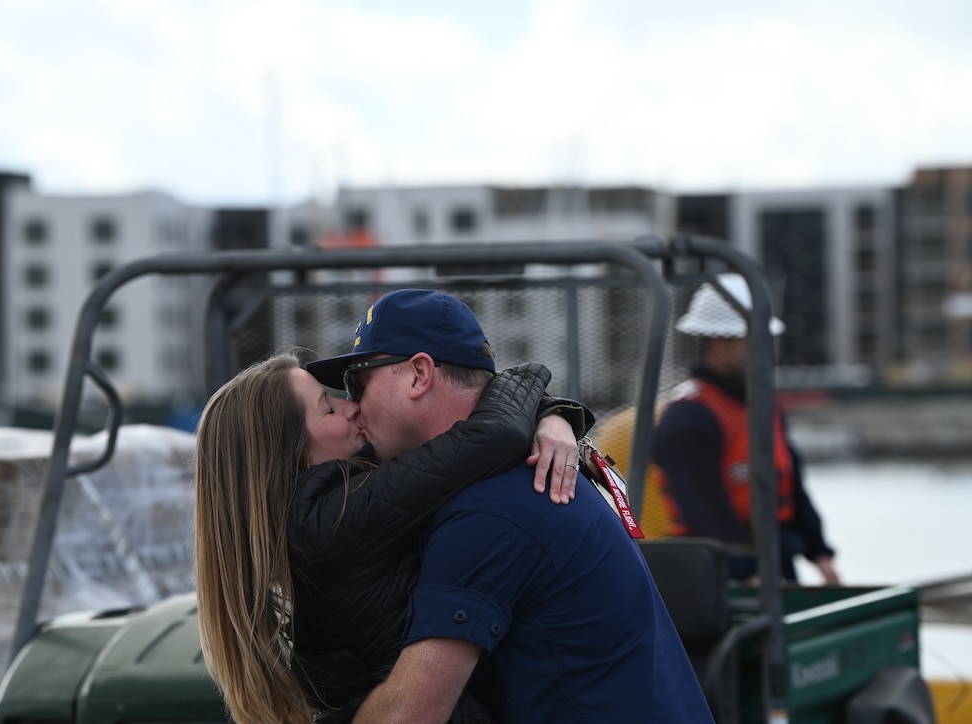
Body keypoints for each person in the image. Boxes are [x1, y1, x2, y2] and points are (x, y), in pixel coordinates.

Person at [304, 289, 713, 723]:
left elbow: (411, 715)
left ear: (419, 375)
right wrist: (551, 411)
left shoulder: (488, 508)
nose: (351, 405)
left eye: (357, 381)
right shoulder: (504, 474)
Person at [194, 343, 592, 720]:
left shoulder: (312, 520)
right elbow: (492, 436)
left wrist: (550, 415)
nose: (351, 408)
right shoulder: (333, 519)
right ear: (288, 454)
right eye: (327, 408)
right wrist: (533, 385)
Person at [651, 273, 841, 585]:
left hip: (775, 554)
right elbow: (703, 512)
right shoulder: (689, 418)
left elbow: (791, 482)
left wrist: (821, 553)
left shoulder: (763, 405)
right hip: (721, 575)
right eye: (752, 340)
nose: (763, 349)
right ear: (718, 341)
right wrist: (748, 572)